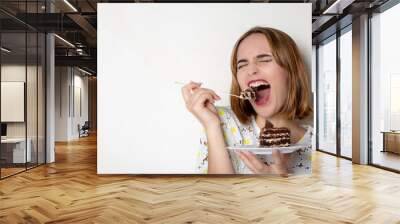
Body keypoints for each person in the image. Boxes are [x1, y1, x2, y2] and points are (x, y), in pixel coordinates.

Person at [181, 26, 313, 175]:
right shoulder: (222, 122)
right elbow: (216, 196)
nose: (251, 70)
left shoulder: (319, 144)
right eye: (242, 65)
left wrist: (279, 186)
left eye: (264, 60)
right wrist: (212, 125)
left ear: (292, 72)